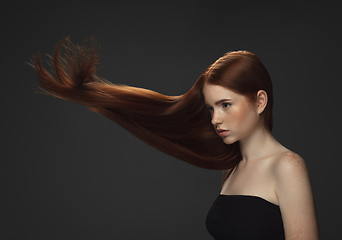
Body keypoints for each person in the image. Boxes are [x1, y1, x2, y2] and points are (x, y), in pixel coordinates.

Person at [29, 37, 319, 239]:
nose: (215, 119)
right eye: (210, 108)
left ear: (259, 101)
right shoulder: (231, 165)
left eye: (226, 105)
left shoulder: (287, 167)